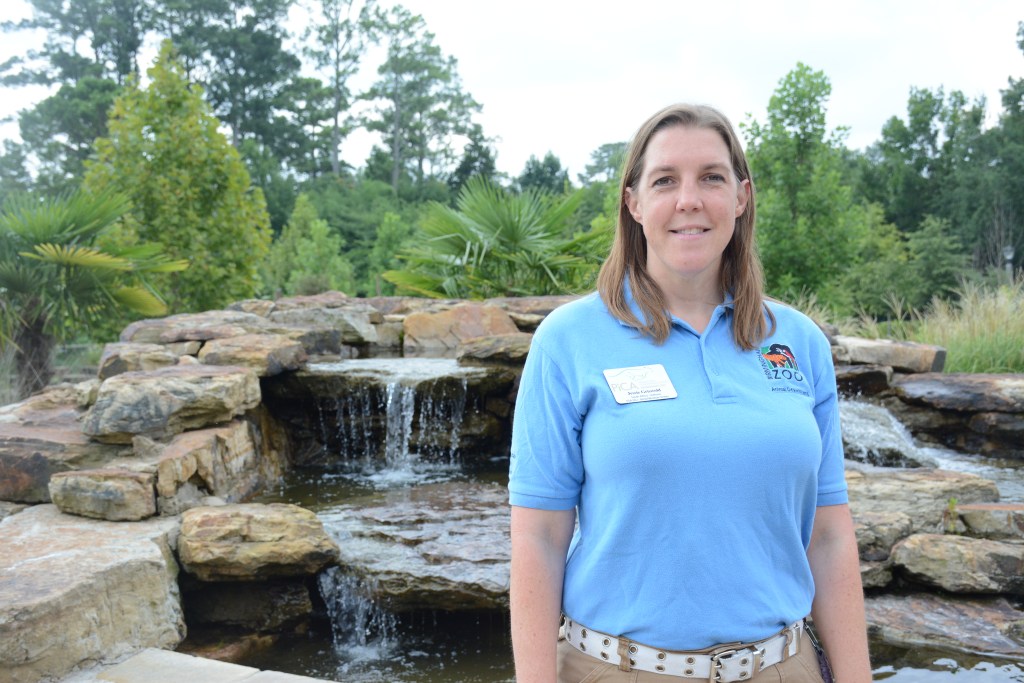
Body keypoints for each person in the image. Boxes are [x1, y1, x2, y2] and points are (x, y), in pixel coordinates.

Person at [508, 103, 870, 683]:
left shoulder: (800, 342)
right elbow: (539, 539)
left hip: (784, 668)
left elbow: (827, 538)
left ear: (742, 195)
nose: (689, 200)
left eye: (712, 177)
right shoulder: (568, 341)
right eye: (665, 181)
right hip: (613, 670)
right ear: (633, 202)